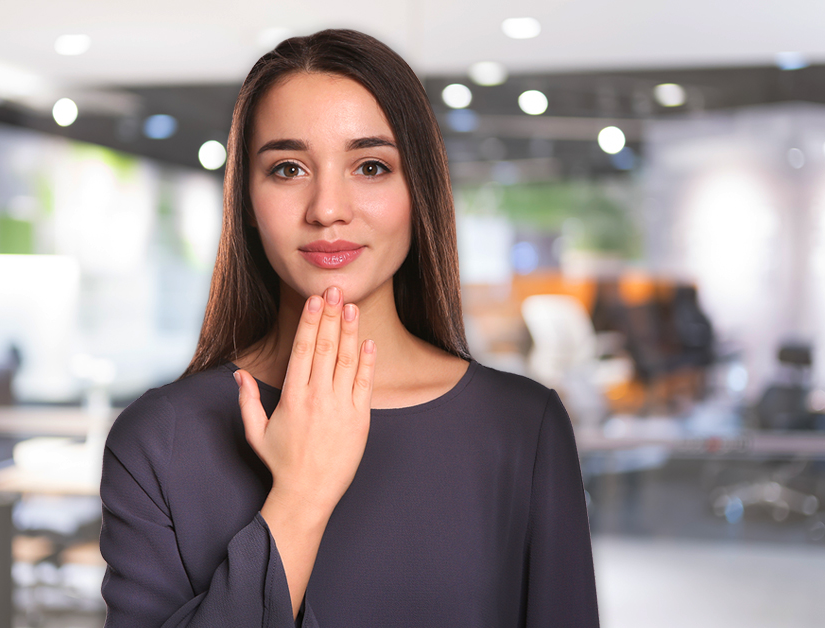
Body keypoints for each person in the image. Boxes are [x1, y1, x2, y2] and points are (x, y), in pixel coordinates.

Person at [100, 29, 599, 627]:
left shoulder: (523, 425)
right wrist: (300, 498)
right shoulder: (158, 440)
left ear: (419, 191)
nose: (328, 207)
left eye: (370, 165)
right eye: (287, 168)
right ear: (247, 205)